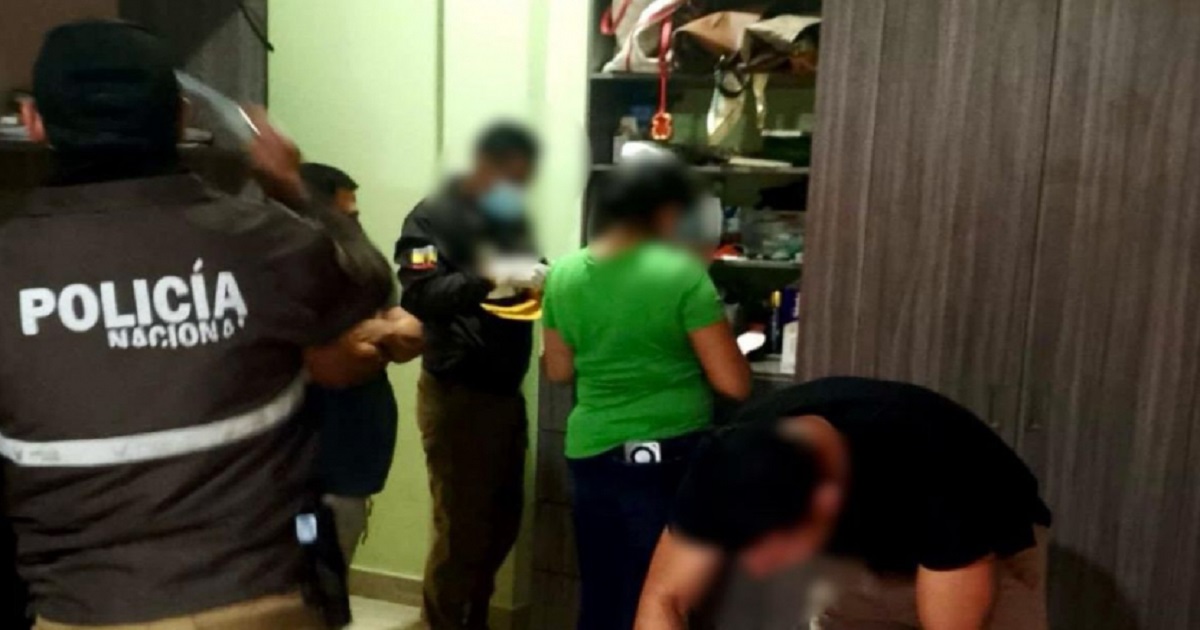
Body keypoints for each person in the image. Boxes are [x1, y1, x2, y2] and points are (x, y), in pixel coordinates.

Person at [0, 21, 399, 628]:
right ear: (182, 117)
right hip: (264, 603)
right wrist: (288, 183)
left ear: (34, 123)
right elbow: (366, 282)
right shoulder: (264, 241)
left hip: (88, 608)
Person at [636, 377, 1054, 630]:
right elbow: (664, 600)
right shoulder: (723, 464)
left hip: (985, 543)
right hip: (858, 561)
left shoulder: (932, 467)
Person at [541, 155, 752, 630]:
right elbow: (734, 383)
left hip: (591, 452)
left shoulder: (563, 274)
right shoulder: (682, 274)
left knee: (602, 591)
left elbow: (558, 369)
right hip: (667, 455)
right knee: (659, 598)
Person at [394, 122, 545, 629]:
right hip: (457, 391)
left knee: (501, 523)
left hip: (503, 390)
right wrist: (486, 277)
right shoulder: (429, 220)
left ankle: (472, 620)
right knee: (461, 531)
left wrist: (542, 276)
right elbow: (419, 295)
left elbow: (529, 273)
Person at [300, 162, 424, 567]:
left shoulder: (362, 268)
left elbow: (412, 333)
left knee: (334, 568)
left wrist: (381, 334)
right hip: (312, 472)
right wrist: (380, 338)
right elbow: (343, 362)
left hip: (354, 459)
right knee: (312, 575)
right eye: (346, 217)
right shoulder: (290, 272)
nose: (355, 226)